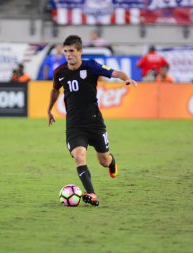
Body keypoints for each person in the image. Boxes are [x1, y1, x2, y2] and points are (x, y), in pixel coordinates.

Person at [47, 35, 137, 206]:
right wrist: (49, 110)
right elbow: (54, 90)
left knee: (103, 160)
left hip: (95, 123)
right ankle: (92, 194)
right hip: (74, 125)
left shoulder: (91, 66)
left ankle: (112, 162)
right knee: (79, 156)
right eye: (65, 51)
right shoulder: (60, 72)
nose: (68, 54)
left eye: (72, 51)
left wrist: (126, 78)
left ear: (80, 51)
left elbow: (114, 72)